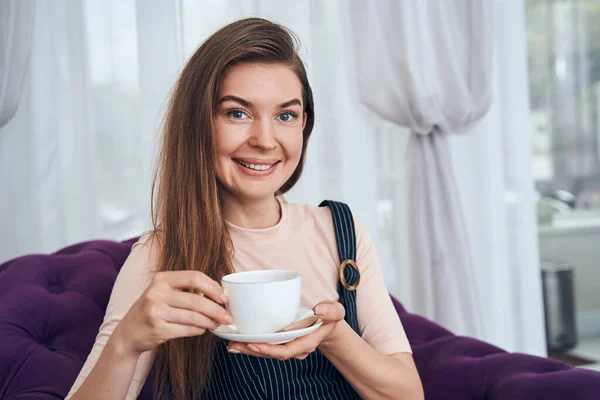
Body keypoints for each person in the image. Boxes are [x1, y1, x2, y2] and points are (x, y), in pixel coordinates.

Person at [66, 17, 423, 400]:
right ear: (199, 123)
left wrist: (332, 336)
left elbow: (407, 393)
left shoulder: (341, 232)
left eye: (285, 116)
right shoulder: (159, 255)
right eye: (237, 113)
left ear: (304, 124)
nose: (265, 141)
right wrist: (127, 342)